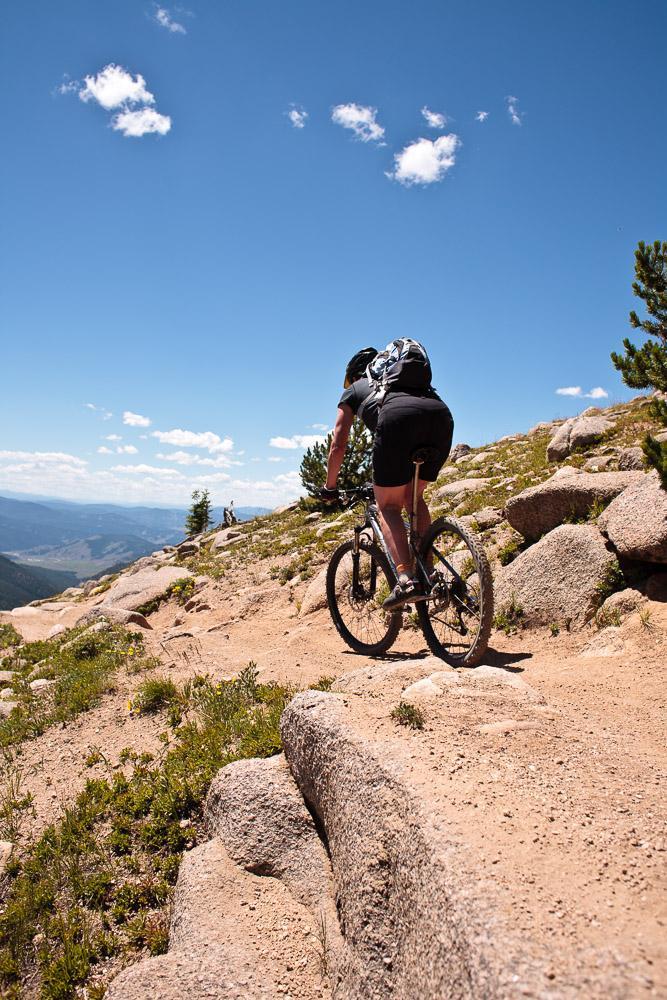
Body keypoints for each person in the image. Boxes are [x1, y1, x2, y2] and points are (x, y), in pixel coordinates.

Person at [323, 343, 454, 610]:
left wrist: (330, 486)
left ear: (355, 374)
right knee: (412, 498)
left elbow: (339, 442)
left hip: (398, 421)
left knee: (388, 507)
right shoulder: (402, 382)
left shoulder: (355, 389)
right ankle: (429, 572)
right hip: (440, 418)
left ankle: (406, 578)